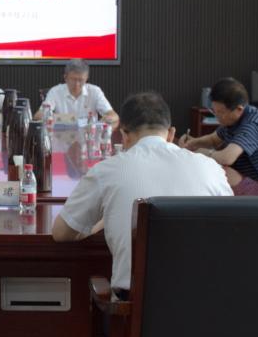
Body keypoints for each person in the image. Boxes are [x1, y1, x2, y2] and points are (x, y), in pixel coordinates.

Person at [54, 92, 231, 296]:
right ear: (171, 133)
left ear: (124, 135)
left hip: (135, 306)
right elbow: (230, 230)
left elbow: (61, 233)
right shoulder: (211, 168)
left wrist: (102, 221)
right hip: (206, 300)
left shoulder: (107, 171)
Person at [179, 77, 258, 185]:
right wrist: (193, 143)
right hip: (245, 177)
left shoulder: (251, 125)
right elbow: (213, 140)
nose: (217, 116)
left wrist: (202, 153)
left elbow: (227, 158)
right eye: (215, 111)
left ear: (239, 109)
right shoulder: (233, 119)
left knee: (217, 172)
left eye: (221, 112)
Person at [37, 59, 119, 127]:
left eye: (81, 80)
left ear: (86, 78)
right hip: (61, 137)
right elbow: (38, 116)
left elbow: (114, 116)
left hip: (88, 138)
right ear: (65, 77)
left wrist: (107, 119)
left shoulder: (95, 91)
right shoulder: (55, 91)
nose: (77, 84)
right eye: (73, 79)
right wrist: (71, 120)